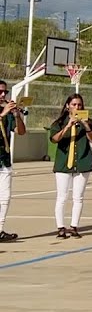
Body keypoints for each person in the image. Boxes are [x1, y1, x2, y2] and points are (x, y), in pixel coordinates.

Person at [48, 93, 92, 239]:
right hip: (64, 164)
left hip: (82, 162)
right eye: (74, 104)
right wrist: (68, 126)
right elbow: (54, 139)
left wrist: (86, 124)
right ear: (68, 106)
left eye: (79, 105)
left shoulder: (89, 122)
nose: (77, 107)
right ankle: (60, 227)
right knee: (62, 196)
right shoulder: (59, 123)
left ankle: (74, 226)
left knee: (78, 197)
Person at [0, 78, 27, 242]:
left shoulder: (7, 113)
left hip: (4, 159)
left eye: (5, 92)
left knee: (5, 196)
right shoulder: (3, 113)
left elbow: (21, 131)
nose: (3, 95)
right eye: (0, 92)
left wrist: (16, 115)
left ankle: (0, 228)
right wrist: (2, 114)